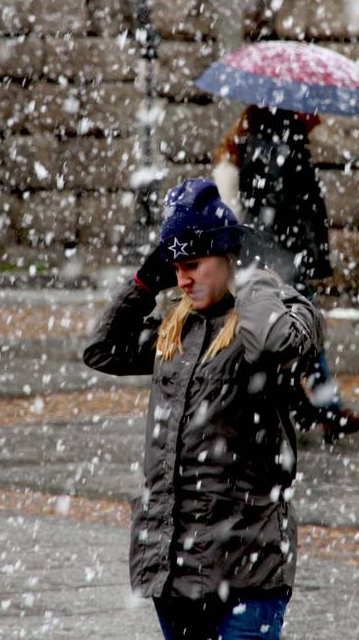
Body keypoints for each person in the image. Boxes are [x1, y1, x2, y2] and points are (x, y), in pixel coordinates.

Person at [84, 178, 321, 639]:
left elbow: (274, 342)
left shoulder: (279, 306)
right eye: (174, 266)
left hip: (248, 566)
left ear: (226, 255)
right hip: (175, 569)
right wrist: (144, 279)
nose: (182, 278)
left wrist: (252, 282)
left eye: (192, 264)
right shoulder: (178, 326)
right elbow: (102, 350)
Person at [213, 104, 359, 443]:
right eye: (309, 110)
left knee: (296, 339)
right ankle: (318, 411)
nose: (316, 116)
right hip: (282, 260)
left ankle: (315, 410)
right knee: (300, 338)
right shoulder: (276, 149)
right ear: (290, 112)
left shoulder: (274, 146)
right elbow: (279, 211)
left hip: (281, 258)